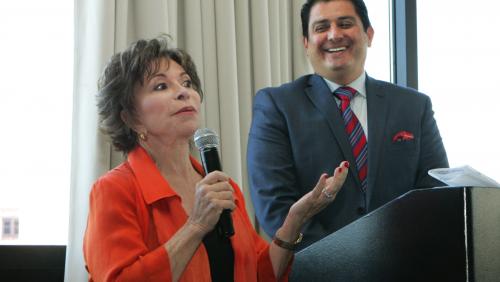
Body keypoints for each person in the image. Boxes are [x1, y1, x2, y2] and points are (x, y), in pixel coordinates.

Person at [83, 36, 349, 282]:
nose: (183, 92)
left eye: (186, 83)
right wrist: (196, 225)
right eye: (161, 86)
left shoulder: (224, 187)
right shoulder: (114, 190)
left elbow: (259, 273)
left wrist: (295, 219)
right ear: (130, 118)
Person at [247, 0, 449, 250]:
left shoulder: (414, 106)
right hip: (317, 268)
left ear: (369, 34)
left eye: (345, 24)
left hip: (404, 263)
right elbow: (274, 204)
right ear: (306, 43)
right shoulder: (277, 105)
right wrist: (343, 263)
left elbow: (435, 192)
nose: (334, 35)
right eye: (321, 27)